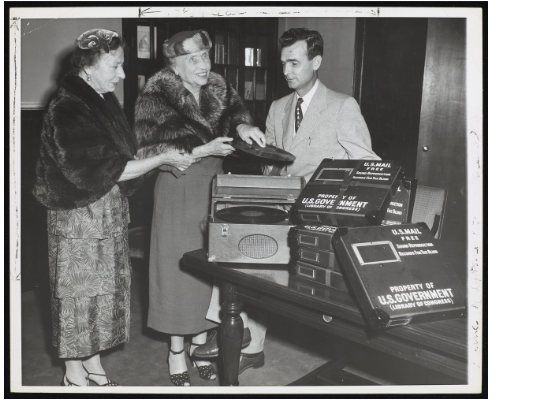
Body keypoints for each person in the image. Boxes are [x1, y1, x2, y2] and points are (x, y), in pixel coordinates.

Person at [194, 28, 380, 374]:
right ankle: (241, 332)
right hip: (281, 208)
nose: (287, 71)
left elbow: (367, 165)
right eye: (283, 63)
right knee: (235, 239)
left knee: (254, 250)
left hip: (317, 215)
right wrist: (262, 154)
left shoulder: (342, 106)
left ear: (316, 62)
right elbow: (273, 167)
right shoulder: (279, 107)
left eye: (295, 62)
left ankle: (243, 333)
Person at [33, 29, 196, 387]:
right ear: (88, 67)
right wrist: (164, 158)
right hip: (78, 217)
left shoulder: (99, 98)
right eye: (116, 65)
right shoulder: (68, 106)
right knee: (78, 294)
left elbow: (124, 156)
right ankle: (73, 373)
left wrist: (163, 156)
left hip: (105, 212)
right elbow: (104, 169)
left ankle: (92, 363)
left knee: (101, 293)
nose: (122, 74)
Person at [134, 29, 265, 386]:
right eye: (193, 58)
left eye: (205, 55)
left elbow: (234, 115)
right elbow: (150, 155)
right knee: (176, 273)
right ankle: (176, 351)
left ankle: (199, 344)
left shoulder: (218, 86)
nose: (203, 64)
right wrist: (203, 151)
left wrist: (244, 126)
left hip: (214, 188)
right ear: (174, 65)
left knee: (209, 273)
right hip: (178, 189)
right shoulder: (156, 95)